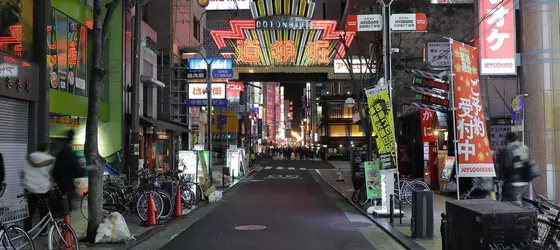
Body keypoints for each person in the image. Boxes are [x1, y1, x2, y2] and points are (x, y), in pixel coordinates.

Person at [21, 142, 55, 232]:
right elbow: (53, 173)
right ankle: (43, 231)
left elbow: (22, 173)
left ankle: (27, 231)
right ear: (47, 149)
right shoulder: (50, 159)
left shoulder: (29, 158)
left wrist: (25, 183)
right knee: (43, 211)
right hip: (43, 189)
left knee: (29, 212)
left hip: (29, 189)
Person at [499, 132, 539, 204]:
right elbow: (531, 162)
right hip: (525, 181)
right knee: (517, 200)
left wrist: (501, 180)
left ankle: (516, 213)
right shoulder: (525, 148)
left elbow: (505, 167)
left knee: (509, 202)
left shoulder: (506, 149)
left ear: (507, 140)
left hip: (512, 181)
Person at [52, 129, 86, 211]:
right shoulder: (70, 153)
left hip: (60, 185)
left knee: (61, 208)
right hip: (68, 186)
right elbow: (78, 171)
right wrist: (83, 170)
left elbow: (55, 170)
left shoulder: (60, 153)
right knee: (67, 209)